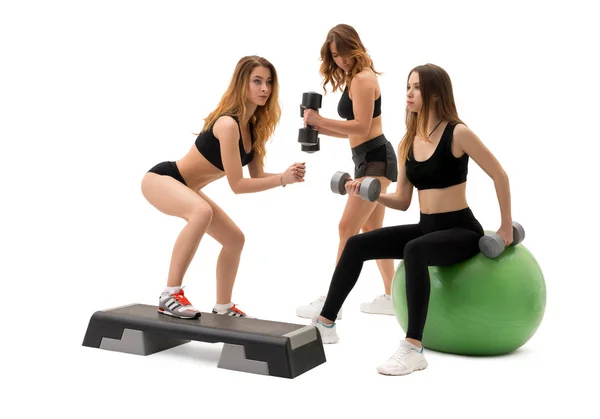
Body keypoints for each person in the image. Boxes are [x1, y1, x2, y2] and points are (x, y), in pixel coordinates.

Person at [309, 63, 514, 376]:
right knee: (357, 244)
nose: (409, 92)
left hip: (461, 229)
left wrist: (504, 226)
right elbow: (403, 201)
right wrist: (367, 192)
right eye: (408, 86)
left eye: (417, 87)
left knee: (414, 250)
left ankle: (413, 347)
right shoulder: (408, 141)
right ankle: (326, 323)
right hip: (426, 227)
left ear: (435, 93)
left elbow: (499, 175)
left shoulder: (458, 132)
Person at [141, 55, 305, 319]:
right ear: (242, 84)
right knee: (201, 212)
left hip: (188, 189)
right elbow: (237, 185)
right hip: (162, 179)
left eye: (269, 82)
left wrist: (286, 176)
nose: (264, 88)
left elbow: (258, 175)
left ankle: (223, 307)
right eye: (257, 81)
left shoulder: (254, 129)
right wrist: (282, 180)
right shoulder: (228, 124)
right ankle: (170, 294)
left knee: (234, 240)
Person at [296, 24, 398, 320]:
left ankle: (333, 302)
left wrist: (321, 118)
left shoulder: (363, 80)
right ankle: (393, 297)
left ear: (355, 46)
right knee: (373, 231)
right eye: (334, 55)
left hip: (376, 161)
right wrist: (320, 128)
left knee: (346, 229)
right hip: (366, 159)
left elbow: (362, 127)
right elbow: (355, 133)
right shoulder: (355, 78)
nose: (340, 60)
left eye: (342, 53)